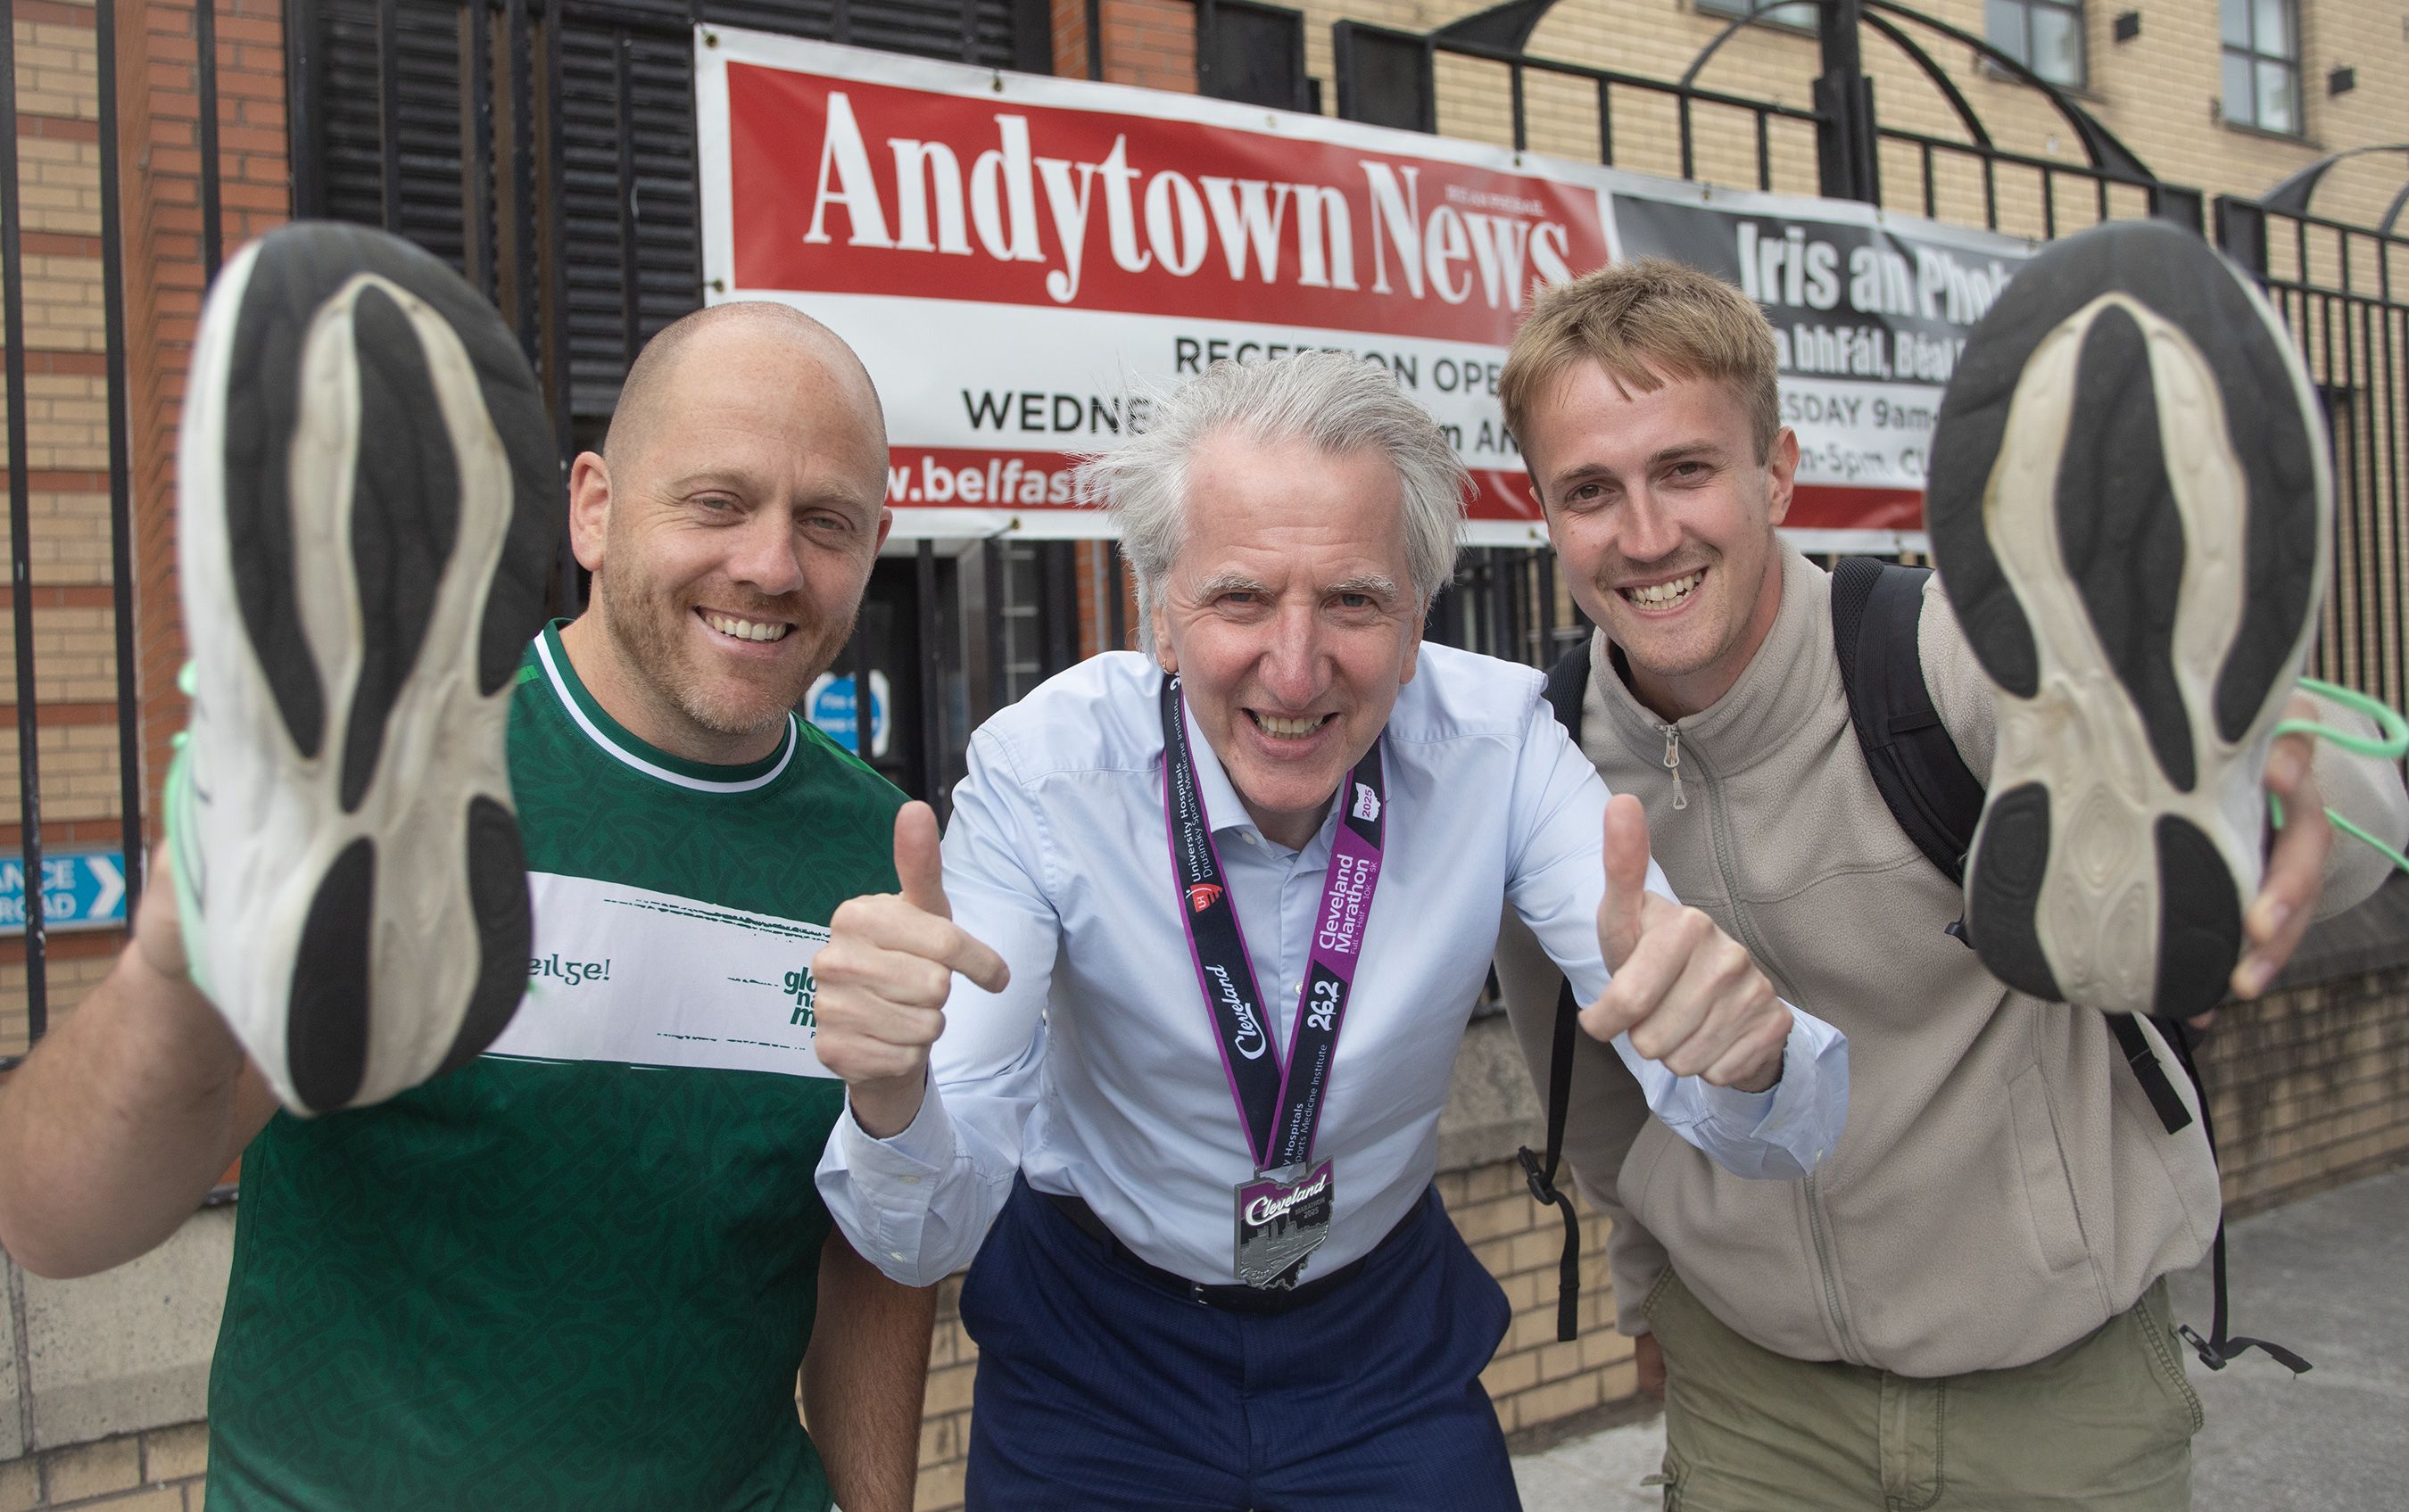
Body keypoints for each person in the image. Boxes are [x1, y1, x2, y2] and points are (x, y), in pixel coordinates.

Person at [808, 350, 1850, 1511]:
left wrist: (1747, 1056)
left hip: (1380, 1344)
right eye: (1241, 597)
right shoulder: (1045, 771)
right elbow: (921, 1235)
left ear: (1416, 624)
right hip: (1097, 1355)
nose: (1295, 671)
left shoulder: (1498, 745)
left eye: (1353, 600)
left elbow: (1763, 1129)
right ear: (1161, 613)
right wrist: (895, 1101)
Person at [0, 223, 934, 1512]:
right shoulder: (392, 778)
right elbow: (57, 1227)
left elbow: (867, 1246)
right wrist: (178, 958)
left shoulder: (880, 855)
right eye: (717, 502)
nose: (771, 565)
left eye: (824, 523)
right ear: (595, 510)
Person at [1492, 240, 2409, 1510]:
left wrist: (2287, 787)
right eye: (1590, 489)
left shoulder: (1946, 661)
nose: (1645, 535)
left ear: (1778, 471)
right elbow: (1584, 1086)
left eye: (1686, 470)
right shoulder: (1550, 761)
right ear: (1540, 509)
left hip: (2056, 1384)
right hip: (1758, 1396)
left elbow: (2303, 786)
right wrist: (1655, 1293)